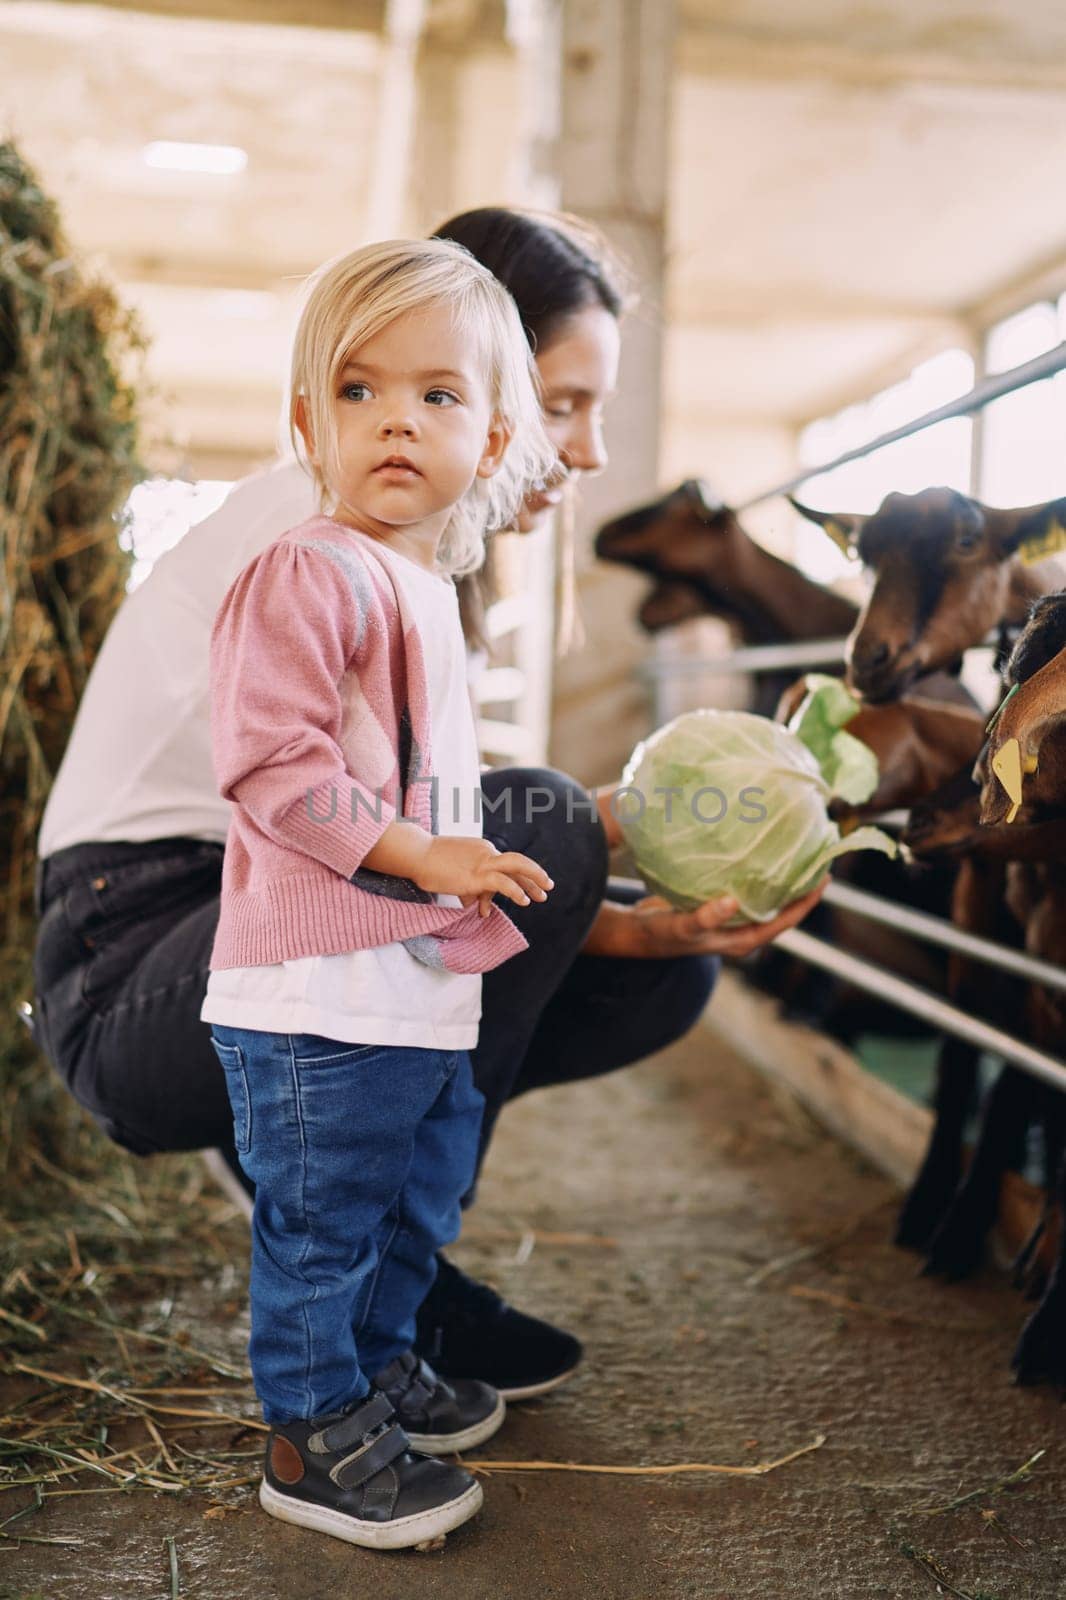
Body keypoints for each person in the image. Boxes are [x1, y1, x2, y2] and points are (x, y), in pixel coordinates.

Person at [31, 206, 825, 1415]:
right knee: (548, 818)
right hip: (129, 954)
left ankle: (370, 1254)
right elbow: (313, 803)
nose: (590, 450)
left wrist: (635, 924)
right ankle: (371, 1288)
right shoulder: (313, 536)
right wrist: (577, 834)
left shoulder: (415, 566)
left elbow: (430, 856)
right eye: (565, 403)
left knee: (657, 967)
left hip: (256, 916)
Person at [202, 236, 565, 1549]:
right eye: (356, 392)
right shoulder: (309, 570)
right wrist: (423, 859)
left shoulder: (425, 584)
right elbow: (269, 763)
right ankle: (310, 1428)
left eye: (437, 396)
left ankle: (376, 1367)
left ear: (494, 436)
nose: (396, 420)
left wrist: (457, 881)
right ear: (307, 424)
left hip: (413, 985)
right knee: (324, 1220)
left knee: (413, 1202)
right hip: (312, 991)